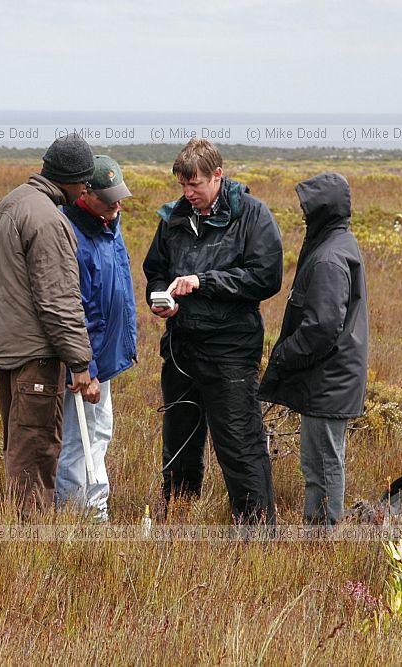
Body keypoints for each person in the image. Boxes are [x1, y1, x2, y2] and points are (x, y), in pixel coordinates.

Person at [142, 138, 283, 525]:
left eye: (196, 186)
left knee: (239, 445)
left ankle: (255, 535)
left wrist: (204, 282)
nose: (188, 194)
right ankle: (177, 523)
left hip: (230, 353)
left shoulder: (253, 215)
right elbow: (155, 268)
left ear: (218, 175)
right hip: (181, 351)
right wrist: (158, 297)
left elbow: (266, 277)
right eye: (182, 186)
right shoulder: (173, 216)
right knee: (179, 445)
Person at [0, 134, 101, 516]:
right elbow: (59, 299)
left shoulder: (10, 203)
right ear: (71, 178)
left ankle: (18, 538)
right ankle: (28, 545)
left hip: (9, 350)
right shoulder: (47, 219)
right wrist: (80, 362)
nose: (86, 189)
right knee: (35, 452)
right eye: (85, 180)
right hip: (36, 355)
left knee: (19, 447)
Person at [259, 172, 369, 526]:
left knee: (321, 464)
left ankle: (319, 543)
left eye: (309, 208)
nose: (304, 214)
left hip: (328, 381)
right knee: (324, 460)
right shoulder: (338, 244)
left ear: (323, 210)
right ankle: (321, 534)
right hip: (332, 378)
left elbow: (321, 329)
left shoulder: (329, 258)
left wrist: (283, 355)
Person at [55, 155, 137, 522]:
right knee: (77, 441)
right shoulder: (72, 234)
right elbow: (76, 309)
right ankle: (77, 516)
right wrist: (83, 367)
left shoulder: (110, 223)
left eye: (119, 197)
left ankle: (94, 510)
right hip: (85, 363)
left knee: (99, 432)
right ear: (85, 194)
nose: (117, 205)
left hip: (106, 358)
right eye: (109, 200)